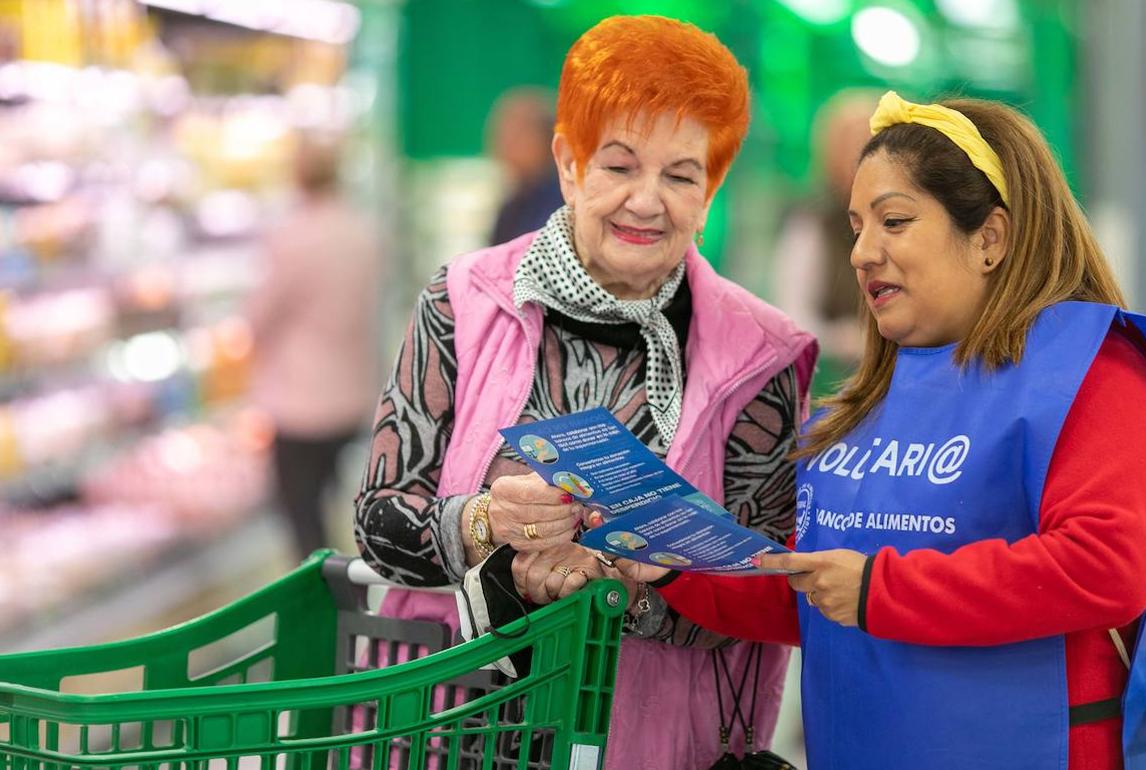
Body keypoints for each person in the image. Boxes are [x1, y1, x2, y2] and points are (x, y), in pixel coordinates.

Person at [612, 92, 1146, 770]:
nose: (861, 252)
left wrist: (877, 591)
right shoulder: (863, 403)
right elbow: (813, 589)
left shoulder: (1096, 371)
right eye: (857, 226)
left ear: (990, 238)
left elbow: (1106, 567)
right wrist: (678, 563)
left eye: (894, 221)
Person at [353, 15, 817, 769]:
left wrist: (623, 590)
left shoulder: (759, 356)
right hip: (450, 727)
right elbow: (377, 523)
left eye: (680, 174)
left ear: (711, 191)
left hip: (655, 738)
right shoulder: (463, 302)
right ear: (569, 163)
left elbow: (766, 591)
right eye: (619, 165)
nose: (646, 201)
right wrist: (482, 525)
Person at [248, 132, 382, 560]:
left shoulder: (293, 237)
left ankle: (323, 605)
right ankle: (346, 590)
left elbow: (260, 317)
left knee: (301, 516)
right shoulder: (361, 231)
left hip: (302, 402)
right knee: (331, 500)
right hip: (353, 391)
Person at [773, 89, 878, 393]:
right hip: (836, 383)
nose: (861, 153)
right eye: (851, 142)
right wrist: (846, 339)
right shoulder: (813, 221)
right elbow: (793, 317)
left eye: (870, 140)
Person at [486, 87, 565, 245]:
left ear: (546, 140)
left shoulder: (562, 203)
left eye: (517, 135)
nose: (506, 144)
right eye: (502, 134)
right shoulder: (513, 204)